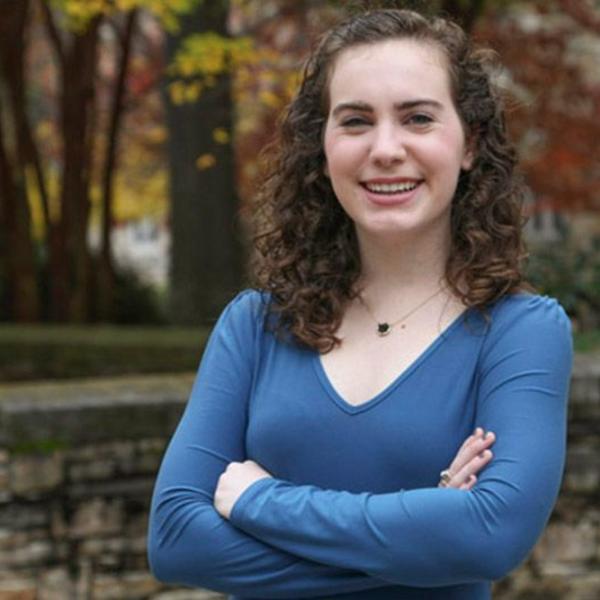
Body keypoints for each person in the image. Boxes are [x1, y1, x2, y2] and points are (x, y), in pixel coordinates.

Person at [148, 8, 573, 600]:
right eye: (355, 121)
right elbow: (175, 540)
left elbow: (489, 538)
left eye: (418, 118)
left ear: (469, 143)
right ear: (322, 147)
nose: (386, 149)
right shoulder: (254, 325)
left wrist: (257, 500)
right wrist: (424, 537)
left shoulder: (521, 332)